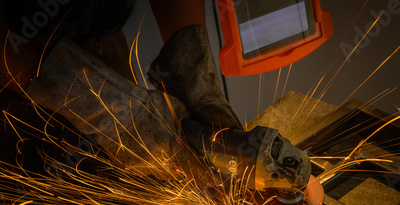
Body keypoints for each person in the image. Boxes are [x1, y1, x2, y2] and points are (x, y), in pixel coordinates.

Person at [0, 0, 241, 184]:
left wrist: (192, 65)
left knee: (136, 177)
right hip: (14, 64)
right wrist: (114, 115)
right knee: (41, 197)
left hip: (96, 32)